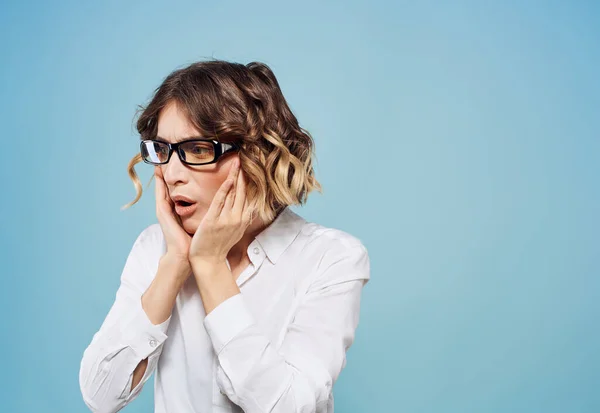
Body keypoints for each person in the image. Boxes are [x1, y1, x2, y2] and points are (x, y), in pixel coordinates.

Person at [78, 59, 371, 413]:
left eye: (198, 150)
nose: (171, 174)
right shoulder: (154, 250)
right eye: (162, 151)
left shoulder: (331, 258)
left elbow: (288, 407)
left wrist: (210, 265)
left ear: (257, 154)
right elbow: (100, 395)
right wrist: (175, 263)